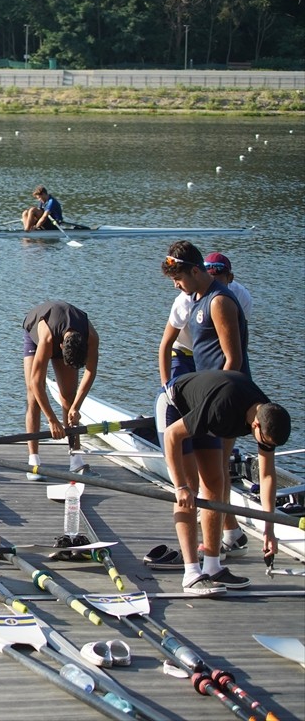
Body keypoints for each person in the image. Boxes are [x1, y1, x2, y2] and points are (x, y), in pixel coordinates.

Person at [159, 370, 290, 596]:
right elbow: (172, 435)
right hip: (174, 407)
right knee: (190, 486)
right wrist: (179, 487)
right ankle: (191, 574)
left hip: (204, 411)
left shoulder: (269, 416)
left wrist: (269, 529)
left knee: (215, 484)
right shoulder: (222, 408)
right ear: (256, 426)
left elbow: (267, 475)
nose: (266, 447)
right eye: (264, 442)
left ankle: (212, 566)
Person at [161, 242, 251, 565]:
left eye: (179, 279)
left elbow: (233, 359)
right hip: (208, 398)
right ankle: (219, 546)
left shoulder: (220, 302)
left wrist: (212, 404)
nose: (176, 285)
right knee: (212, 477)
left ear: (195, 271)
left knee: (213, 477)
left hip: (221, 400)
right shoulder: (196, 299)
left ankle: (212, 556)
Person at [10, 301, 99, 480]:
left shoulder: (91, 336)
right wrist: (52, 420)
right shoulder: (48, 339)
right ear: (60, 348)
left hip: (66, 334)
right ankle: (33, 459)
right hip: (36, 330)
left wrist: (76, 406)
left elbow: (90, 372)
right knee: (33, 396)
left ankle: (75, 459)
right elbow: (36, 383)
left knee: (68, 396)